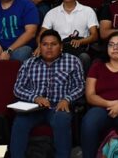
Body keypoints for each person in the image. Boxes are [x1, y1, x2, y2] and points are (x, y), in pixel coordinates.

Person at [10, 29, 85, 158]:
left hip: (58, 106)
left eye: (53, 44)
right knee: (20, 122)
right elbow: (18, 88)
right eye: (45, 44)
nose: (49, 48)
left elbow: (80, 86)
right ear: (40, 46)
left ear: (61, 46)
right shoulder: (29, 63)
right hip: (34, 108)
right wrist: (35, 98)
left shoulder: (73, 61)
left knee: (62, 119)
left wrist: (67, 99)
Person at [40, 0, 99, 67]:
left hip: (79, 49)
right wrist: (38, 46)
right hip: (58, 51)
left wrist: (81, 41)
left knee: (84, 57)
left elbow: (94, 35)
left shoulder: (88, 11)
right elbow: (42, 35)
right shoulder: (51, 13)